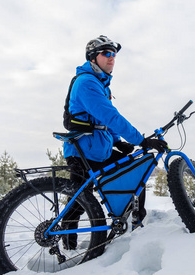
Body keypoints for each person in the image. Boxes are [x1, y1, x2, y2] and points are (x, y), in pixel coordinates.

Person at [62, 35, 167, 249]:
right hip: (82, 151)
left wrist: (118, 142)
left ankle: (137, 225)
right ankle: (67, 247)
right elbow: (110, 116)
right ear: (93, 58)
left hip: (99, 149)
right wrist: (141, 140)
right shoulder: (87, 83)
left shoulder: (101, 84)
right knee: (80, 201)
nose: (112, 58)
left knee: (137, 172)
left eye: (114, 54)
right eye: (106, 53)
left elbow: (102, 121)